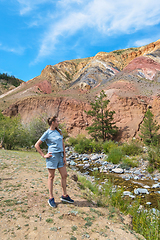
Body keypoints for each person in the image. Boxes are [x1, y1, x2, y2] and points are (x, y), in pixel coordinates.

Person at [35, 115, 74, 208]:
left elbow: (62, 144)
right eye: (57, 121)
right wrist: (44, 155)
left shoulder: (58, 131)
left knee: (64, 175)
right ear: (53, 122)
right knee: (51, 176)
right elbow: (37, 145)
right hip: (52, 157)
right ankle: (51, 198)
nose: (58, 122)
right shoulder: (47, 133)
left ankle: (64, 196)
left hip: (60, 156)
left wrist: (64, 156)